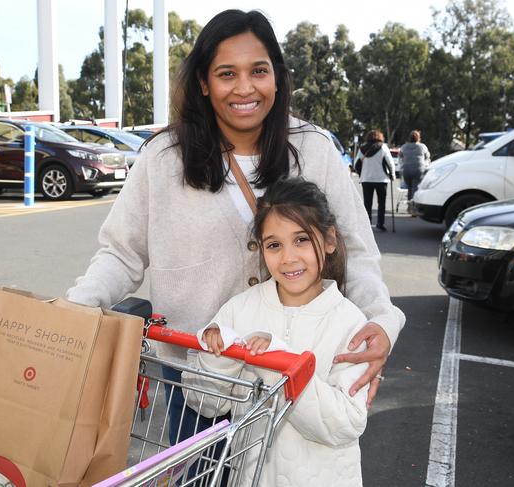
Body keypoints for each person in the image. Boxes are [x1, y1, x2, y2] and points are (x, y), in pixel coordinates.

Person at [66, 9, 404, 439]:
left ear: (277, 78)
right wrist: (75, 311)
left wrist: (381, 320)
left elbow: (355, 252)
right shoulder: (163, 157)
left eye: (258, 71)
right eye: (227, 73)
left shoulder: (314, 150)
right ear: (204, 83)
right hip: (197, 378)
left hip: (295, 375)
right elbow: (122, 252)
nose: (245, 88)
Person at [185, 177, 369, 486]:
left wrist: (280, 364)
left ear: (329, 241)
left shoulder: (350, 323)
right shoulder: (238, 309)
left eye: (301, 240)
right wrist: (221, 355)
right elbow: (205, 403)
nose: (288, 258)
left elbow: (345, 423)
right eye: (274, 245)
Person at [354, 129, 396, 231]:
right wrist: (392, 175)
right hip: (381, 179)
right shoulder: (383, 147)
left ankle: (367, 224)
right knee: (381, 203)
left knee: (367, 203)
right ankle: (380, 223)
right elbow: (390, 163)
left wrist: (361, 174)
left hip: (366, 179)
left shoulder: (362, 148)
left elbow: (356, 163)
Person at [399, 130, 430, 214]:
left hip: (407, 170)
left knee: (409, 188)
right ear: (418, 138)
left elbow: (400, 157)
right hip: (419, 169)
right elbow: (427, 157)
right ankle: (414, 208)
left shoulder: (404, 147)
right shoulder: (423, 147)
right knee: (415, 189)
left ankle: (409, 207)